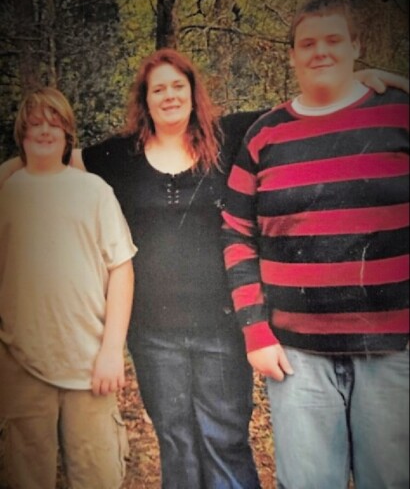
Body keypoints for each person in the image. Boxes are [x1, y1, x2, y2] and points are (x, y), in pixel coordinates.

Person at [0, 56, 407, 489]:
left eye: (178, 86)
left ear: (193, 93)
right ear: (145, 100)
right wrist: (7, 172)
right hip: (153, 335)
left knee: (225, 440)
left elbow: (302, 105)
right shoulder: (120, 155)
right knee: (175, 441)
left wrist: (357, 77)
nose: (169, 96)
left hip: (222, 328)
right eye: (158, 89)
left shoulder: (229, 136)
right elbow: (54, 157)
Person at [222, 0, 409, 489]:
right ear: (292, 55)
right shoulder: (263, 135)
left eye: (333, 40)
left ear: (356, 46)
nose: (320, 51)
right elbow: (236, 233)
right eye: (307, 43)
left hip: (394, 350)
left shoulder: (397, 114)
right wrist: (255, 332)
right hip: (295, 355)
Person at [0, 87, 137, 489]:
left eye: (54, 123)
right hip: (20, 364)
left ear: (68, 133)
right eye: (35, 124)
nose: (45, 131)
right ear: (22, 133)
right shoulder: (8, 192)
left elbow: (122, 270)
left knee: (97, 477)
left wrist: (112, 351)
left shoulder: (93, 191)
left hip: (90, 365)